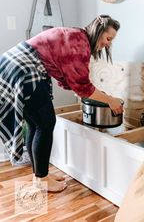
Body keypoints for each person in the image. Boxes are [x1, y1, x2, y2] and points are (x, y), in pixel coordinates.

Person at [0, 15, 123, 192]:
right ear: (98, 31)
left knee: (35, 125)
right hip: (25, 69)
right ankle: (41, 180)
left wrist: (93, 93)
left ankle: (39, 176)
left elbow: (71, 79)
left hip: (13, 65)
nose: (108, 44)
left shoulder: (76, 36)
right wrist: (109, 100)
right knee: (46, 123)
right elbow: (82, 86)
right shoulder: (80, 44)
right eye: (108, 38)